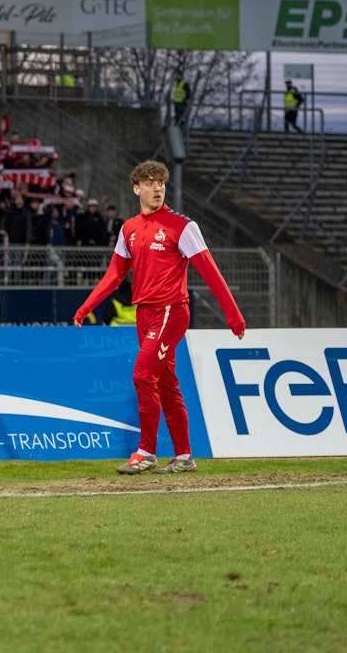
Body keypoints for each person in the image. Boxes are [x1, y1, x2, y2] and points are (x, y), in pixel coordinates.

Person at [73, 159, 245, 476]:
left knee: (142, 375)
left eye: (161, 183)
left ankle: (146, 452)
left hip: (171, 310)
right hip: (145, 314)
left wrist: (233, 316)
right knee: (167, 385)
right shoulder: (129, 229)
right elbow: (114, 275)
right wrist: (86, 307)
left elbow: (210, 272)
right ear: (136, 188)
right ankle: (184, 457)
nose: (157, 188)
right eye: (150, 182)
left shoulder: (183, 227)